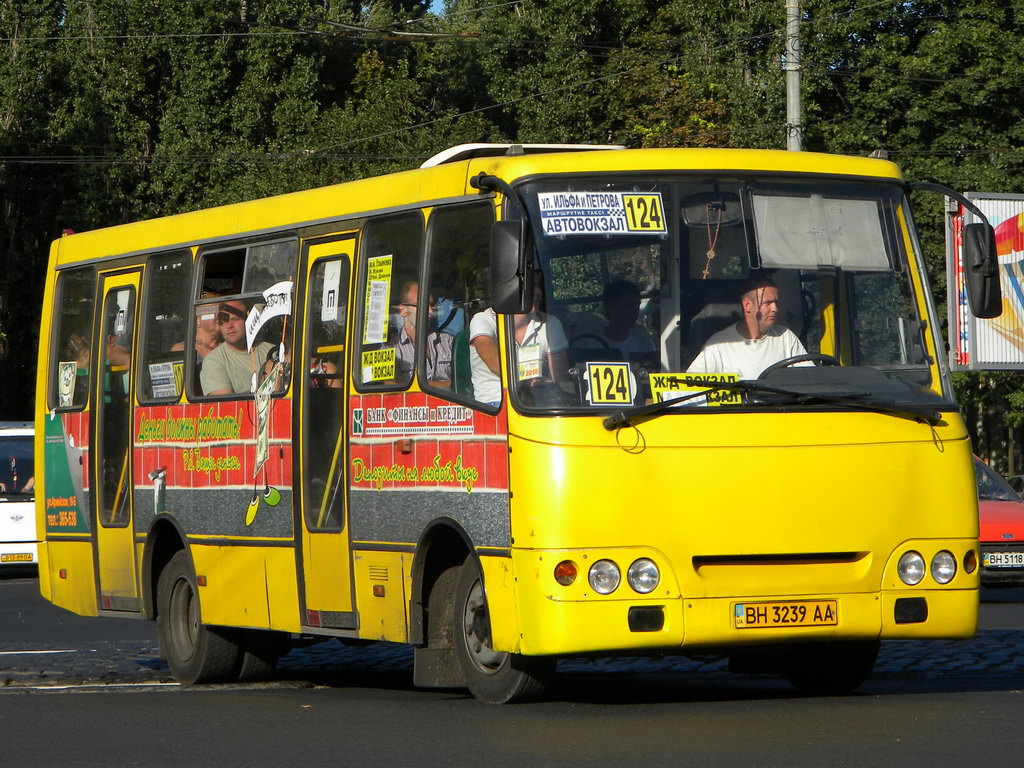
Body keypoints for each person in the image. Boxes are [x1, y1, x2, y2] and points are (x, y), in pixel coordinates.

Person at [470, 274, 569, 406]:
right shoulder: (483, 320)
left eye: (539, 286)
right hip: (495, 405)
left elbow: (561, 379)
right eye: (532, 286)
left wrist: (547, 385)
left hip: (539, 403)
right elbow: (494, 363)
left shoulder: (550, 323)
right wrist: (528, 380)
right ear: (510, 290)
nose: (539, 293)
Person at [687, 275, 807, 380]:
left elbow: (810, 380)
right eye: (768, 303)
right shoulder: (717, 346)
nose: (775, 309)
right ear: (747, 305)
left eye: (776, 302)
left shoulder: (786, 338)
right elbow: (691, 388)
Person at [201, 300, 273, 395]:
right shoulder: (214, 360)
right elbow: (225, 405)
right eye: (224, 321)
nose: (229, 325)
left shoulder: (271, 350)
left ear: (248, 319)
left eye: (235, 319)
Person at [390, 281, 453, 387]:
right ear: (403, 310)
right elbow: (391, 387)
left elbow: (463, 383)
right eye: (423, 305)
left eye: (432, 305)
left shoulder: (448, 341)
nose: (430, 311)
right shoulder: (393, 349)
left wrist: (416, 384)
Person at [597, 280, 657, 364]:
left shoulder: (644, 343)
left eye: (637, 305)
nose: (635, 311)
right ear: (611, 307)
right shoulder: (592, 342)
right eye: (628, 305)